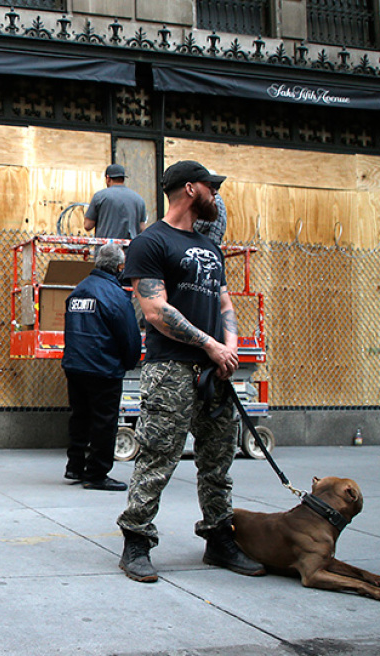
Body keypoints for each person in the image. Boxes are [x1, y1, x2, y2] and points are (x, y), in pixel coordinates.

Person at [116, 160, 264, 583]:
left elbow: (224, 304)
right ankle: (136, 542)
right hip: (171, 369)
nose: (215, 194)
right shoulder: (151, 241)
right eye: (210, 186)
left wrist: (230, 346)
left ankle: (219, 540)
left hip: (216, 368)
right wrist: (210, 344)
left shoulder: (210, 246)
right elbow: (155, 310)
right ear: (189, 188)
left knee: (218, 460)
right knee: (159, 455)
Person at [62, 242, 142, 491]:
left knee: (80, 416)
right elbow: (129, 335)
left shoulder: (78, 291)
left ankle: (75, 465)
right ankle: (96, 473)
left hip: (75, 365)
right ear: (120, 267)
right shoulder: (116, 295)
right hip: (102, 368)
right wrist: (130, 362)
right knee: (103, 421)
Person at [84, 163, 148, 240]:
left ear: (108, 178)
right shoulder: (138, 199)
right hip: (130, 249)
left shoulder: (99, 196)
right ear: (123, 179)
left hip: (106, 249)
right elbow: (142, 228)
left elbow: (88, 225)